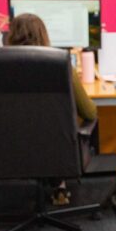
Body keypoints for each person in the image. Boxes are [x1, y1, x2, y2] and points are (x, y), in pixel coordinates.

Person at [7, 13, 98, 205]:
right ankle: (59, 185)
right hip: (58, 149)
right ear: (43, 34)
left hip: (12, 148)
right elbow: (90, 113)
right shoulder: (61, 64)